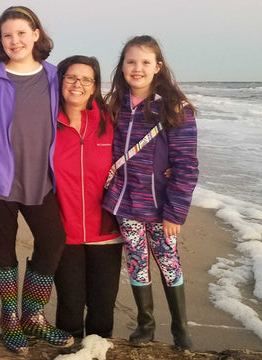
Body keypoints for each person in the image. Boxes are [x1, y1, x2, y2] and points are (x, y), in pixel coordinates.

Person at [0, 5, 74, 354]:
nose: (15, 40)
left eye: (22, 33)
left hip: (42, 181)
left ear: (36, 34)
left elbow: (86, 111)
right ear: (0, 41)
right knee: (3, 252)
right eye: (7, 35)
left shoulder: (55, 76)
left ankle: (33, 316)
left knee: (53, 242)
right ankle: (10, 316)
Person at [102, 35, 198, 351]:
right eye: (131, 62)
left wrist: (175, 213)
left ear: (157, 67)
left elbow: (186, 166)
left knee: (168, 262)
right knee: (136, 262)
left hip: (160, 209)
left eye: (145, 62)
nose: (137, 68)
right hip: (126, 204)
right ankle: (146, 324)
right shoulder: (114, 105)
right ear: (122, 67)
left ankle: (181, 329)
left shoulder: (175, 109)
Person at [53, 56, 123, 340]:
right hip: (63, 232)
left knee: (102, 312)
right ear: (60, 82)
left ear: (94, 87)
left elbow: (145, 149)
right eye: (71, 77)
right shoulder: (46, 123)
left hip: (106, 233)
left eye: (86, 79)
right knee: (69, 311)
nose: (78, 84)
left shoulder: (111, 120)